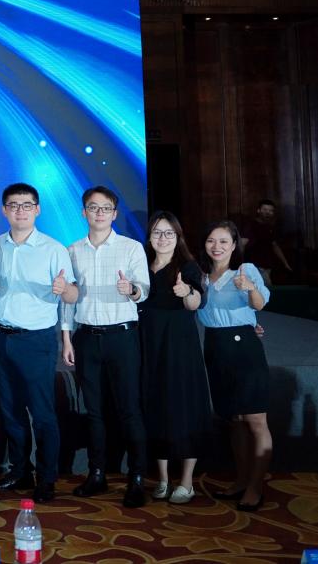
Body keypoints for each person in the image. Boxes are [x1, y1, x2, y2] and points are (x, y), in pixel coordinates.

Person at [62, 186, 150, 508]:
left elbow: (144, 289)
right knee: (94, 411)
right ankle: (96, 474)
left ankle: (136, 477)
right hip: (86, 338)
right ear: (83, 212)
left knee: (129, 409)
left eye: (105, 208)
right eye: (93, 207)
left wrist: (131, 289)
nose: (99, 213)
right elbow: (68, 299)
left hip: (122, 337)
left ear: (114, 213)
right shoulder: (72, 250)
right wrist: (66, 337)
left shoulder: (131, 248)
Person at [0, 182, 78, 504]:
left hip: (37, 339)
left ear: (37, 209)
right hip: (2, 336)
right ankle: (20, 471)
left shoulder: (53, 249)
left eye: (27, 205)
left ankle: (47, 477)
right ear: (4, 210)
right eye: (13, 205)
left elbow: (73, 295)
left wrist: (64, 289)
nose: (20, 211)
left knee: (41, 412)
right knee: (10, 410)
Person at [199, 220, 272, 512]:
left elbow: (259, 305)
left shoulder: (245, 270)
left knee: (255, 419)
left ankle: (255, 487)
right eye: (211, 241)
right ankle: (242, 480)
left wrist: (250, 288)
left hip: (244, 349)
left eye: (223, 241)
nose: (216, 247)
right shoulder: (201, 276)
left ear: (234, 245)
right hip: (215, 347)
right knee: (235, 419)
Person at [139, 210, 210, 504]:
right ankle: (164, 479)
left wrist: (186, 291)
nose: (163, 238)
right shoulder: (141, 264)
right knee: (155, 404)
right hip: (148, 343)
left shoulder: (188, 266)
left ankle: (187, 481)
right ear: (150, 236)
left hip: (179, 347)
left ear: (178, 237)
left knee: (184, 405)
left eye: (169, 233)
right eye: (157, 232)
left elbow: (195, 303)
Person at [239, 199, 291, 282]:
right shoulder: (251, 225)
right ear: (258, 210)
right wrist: (238, 263)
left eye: (270, 211)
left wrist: (285, 263)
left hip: (267, 266)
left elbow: (274, 246)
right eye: (265, 209)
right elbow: (242, 243)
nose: (267, 212)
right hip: (255, 267)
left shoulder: (269, 227)